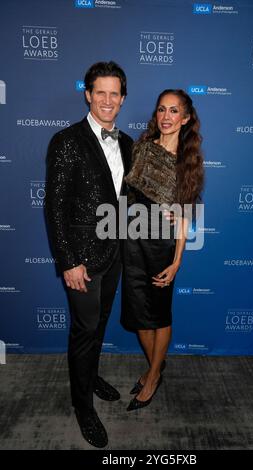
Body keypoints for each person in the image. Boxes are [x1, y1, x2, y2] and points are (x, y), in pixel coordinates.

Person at [45, 61, 133, 448]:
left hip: (114, 256)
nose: (108, 100)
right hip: (81, 261)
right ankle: (83, 405)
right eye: (101, 92)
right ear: (88, 94)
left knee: (98, 328)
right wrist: (68, 262)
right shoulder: (67, 141)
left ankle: (90, 375)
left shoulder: (128, 143)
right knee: (84, 332)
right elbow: (55, 208)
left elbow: (129, 200)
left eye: (115, 93)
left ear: (123, 98)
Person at [121, 89, 204, 411]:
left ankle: (153, 375)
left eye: (173, 111)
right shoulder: (140, 149)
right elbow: (126, 195)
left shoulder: (189, 163)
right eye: (161, 110)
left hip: (161, 245)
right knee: (139, 316)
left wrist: (177, 260)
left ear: (185, 118)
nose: (166, 117)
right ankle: (156, 366)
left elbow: (184, 218)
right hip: (131, 239)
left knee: (158, 314)